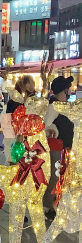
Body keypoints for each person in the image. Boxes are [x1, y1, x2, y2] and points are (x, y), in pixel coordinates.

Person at [44, 76, 75, 220]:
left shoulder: (62, 105)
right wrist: (53, 130)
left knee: (62, 178)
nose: (70, 90)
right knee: (54, 177)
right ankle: (47, 207)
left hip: (65, 148)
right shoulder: (54, 106)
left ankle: (56, 205)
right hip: (56, 148)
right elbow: (46, 126)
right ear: (64, 90)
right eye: (69, 87)